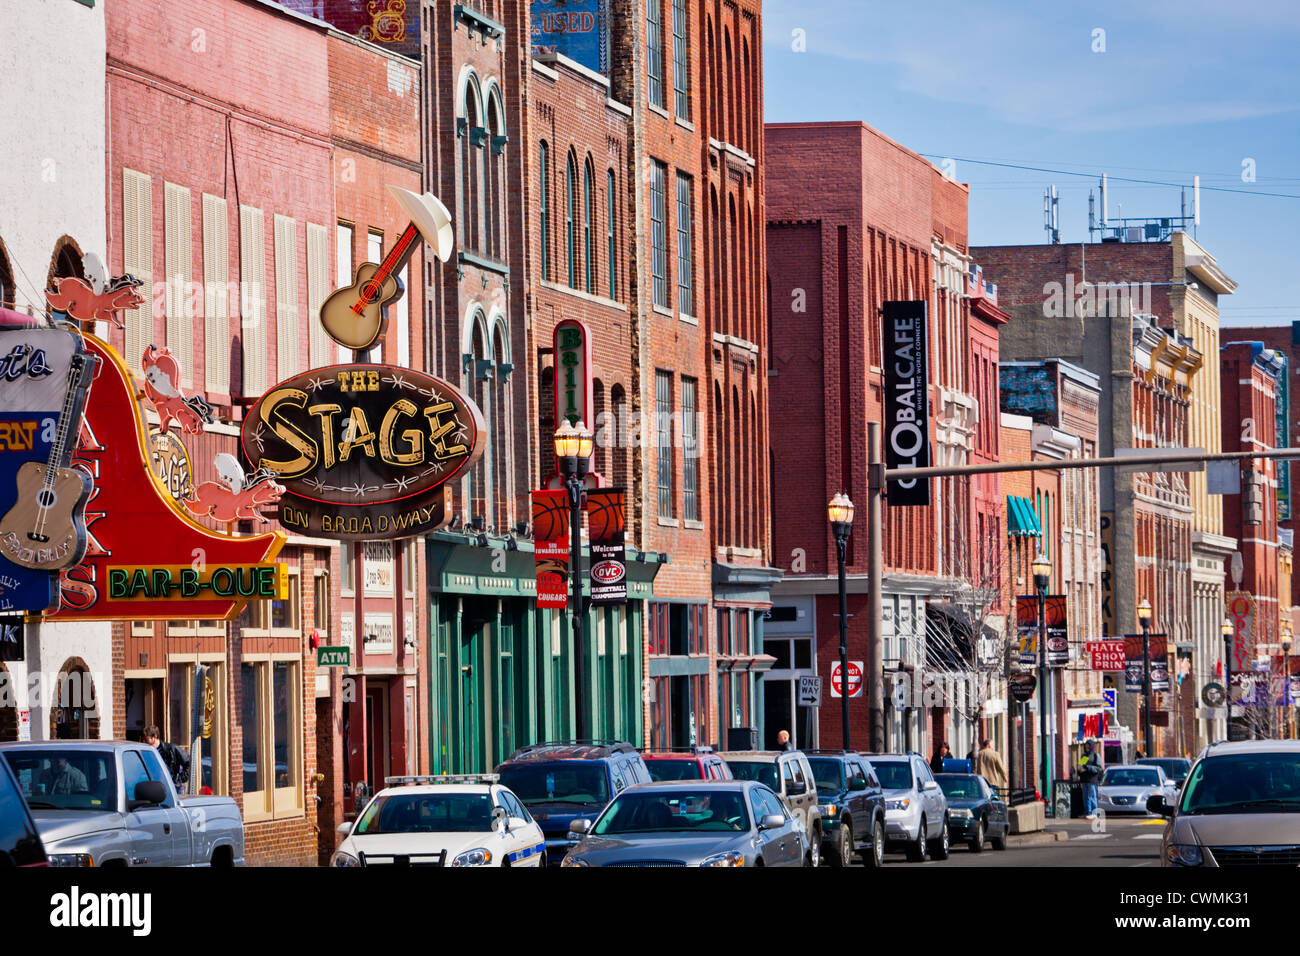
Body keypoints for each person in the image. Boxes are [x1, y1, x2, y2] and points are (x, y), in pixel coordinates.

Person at [143, 724, 190, 792]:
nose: (144, 742)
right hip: (156, 788)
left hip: (173, 788)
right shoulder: (146, 752)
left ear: (155, 736)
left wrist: (179, 779)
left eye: (146, 739)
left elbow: (188, 762)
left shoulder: (171, 749)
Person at [1078, 739, 1102, 819]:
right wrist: (1079, 769)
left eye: (1088, 745)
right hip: (1084, 779)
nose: (1087, 747)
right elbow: (1081, 765)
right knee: (1085, 797)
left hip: (1092, 779)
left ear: (1091, 746)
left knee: (1092, 795)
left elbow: (1098, 768)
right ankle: (1088, 812)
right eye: (1086, 745)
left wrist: (1088, 767)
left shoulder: (1095, 755)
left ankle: (1094, 812)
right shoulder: (1084, 756)